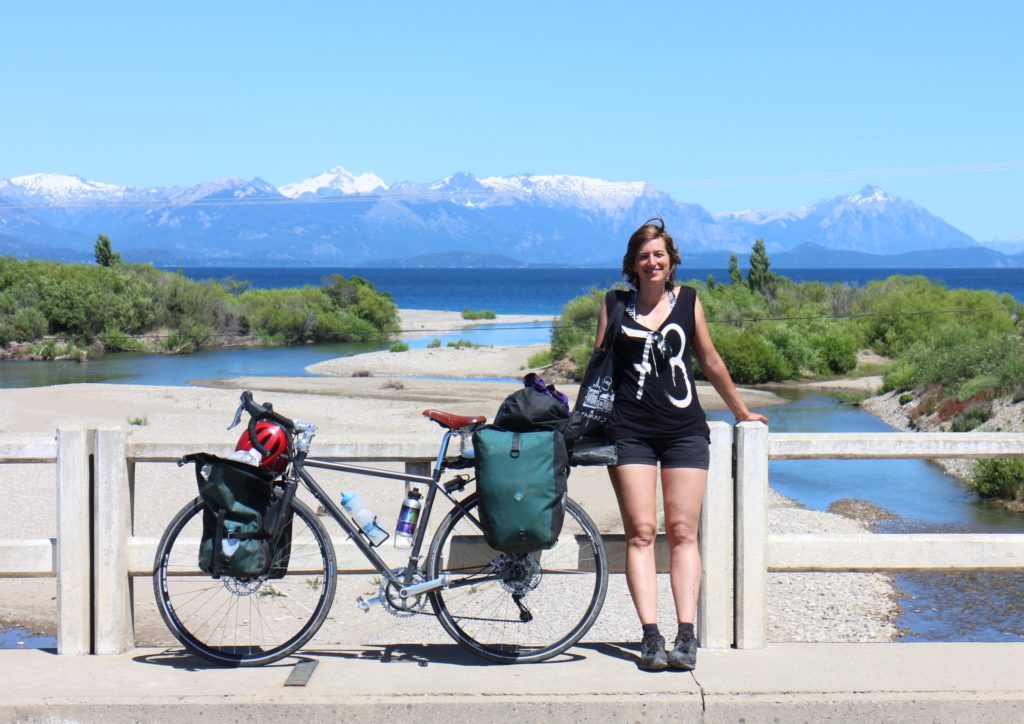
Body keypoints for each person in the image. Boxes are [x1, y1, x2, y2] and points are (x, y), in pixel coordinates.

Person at [593, 217, 768, 672]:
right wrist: (582, 422)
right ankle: (650, 637)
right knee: (641, 534)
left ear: (671, 263)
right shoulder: (613, 305)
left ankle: (685, 636)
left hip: (684, 430)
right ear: (633, 264)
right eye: (644, 256)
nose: (652, 262)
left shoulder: (689, 302)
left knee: (684, 532)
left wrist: (741, 412)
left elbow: (709, 360)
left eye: (659, 255)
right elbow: (598, 369)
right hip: (628, 430)